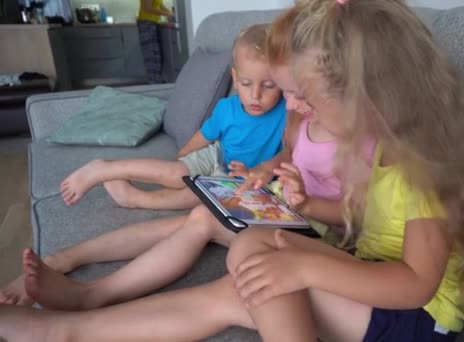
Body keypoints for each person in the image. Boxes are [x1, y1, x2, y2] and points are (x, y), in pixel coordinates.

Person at [0, 1, 464, 341]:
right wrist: (309, 208)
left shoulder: (426, 169)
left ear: (369, 94)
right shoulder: (380, 145)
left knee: (244, 281)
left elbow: (415, 285)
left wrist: (305, 267)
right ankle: (69, 327)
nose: (297, 108)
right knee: (254, 247)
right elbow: (362, 217)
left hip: (413, 321)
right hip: (365, 275)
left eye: (306, 97)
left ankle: (64, 333)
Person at [0, 16, 355, 312]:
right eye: (288, 91)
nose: (289, 102)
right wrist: (269, 168)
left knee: (199, 214)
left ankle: (93, 292)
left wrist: (301, 199)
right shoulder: (299, 115)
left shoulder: (353, 133)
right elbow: (290, 152)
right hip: (277, 198)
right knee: (199, 213)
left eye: (294, 92)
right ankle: (66, 260)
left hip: (308, 223)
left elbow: (360, 215)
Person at [58, 24, 286, 210]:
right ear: (235, 78)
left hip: (241, 179)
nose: (256, 95)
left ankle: (136, 199)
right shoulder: (227, 108)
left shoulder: (288, 112)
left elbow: (295, 149)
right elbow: (205, 135)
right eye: (246, 84)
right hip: (217, 155)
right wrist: (184, 155)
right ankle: (104, 168)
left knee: (198, 198)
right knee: (176, 174)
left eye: (268, 85)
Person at [137, 0, 173, 83]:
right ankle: (154, 83)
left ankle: (155, 82)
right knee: (151, 55)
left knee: (155, 55)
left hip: (152, 23)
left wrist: (170, 13)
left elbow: (161, 6)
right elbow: (147, 7)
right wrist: (166, 14)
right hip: (146, 23)